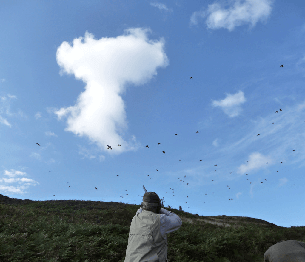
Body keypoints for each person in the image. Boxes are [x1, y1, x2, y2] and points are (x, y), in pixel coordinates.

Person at [124, 192, 182, 262]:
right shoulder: (160, 220)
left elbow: (139, 210)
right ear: (158, 206)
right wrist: (161, 209)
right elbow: (178, 220)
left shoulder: (135, 218)